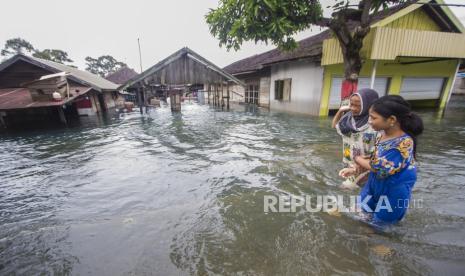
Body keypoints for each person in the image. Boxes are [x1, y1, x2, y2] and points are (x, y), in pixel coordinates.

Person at [350, 95, 424, 224]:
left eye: (373, 118)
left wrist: (357, 158)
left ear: (392, 120)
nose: (369, 121)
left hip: (394, 192)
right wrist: (357, 168)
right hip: (374, 185)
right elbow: (377, 157)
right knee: (359, 213)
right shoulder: (383, 134)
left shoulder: (403, 144)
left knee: (380, 227)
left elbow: (379, 168)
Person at [332, 88, 379, 189]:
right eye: (351, 104)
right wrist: (340, 111)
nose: (353, 108)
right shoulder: (348, 118)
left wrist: (360, 162)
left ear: (369, 105)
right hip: (350, 161)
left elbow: (380, 149)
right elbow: (335, 126)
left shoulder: (376, 123)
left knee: (346, 188)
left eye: (357, 105)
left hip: (366, 165)